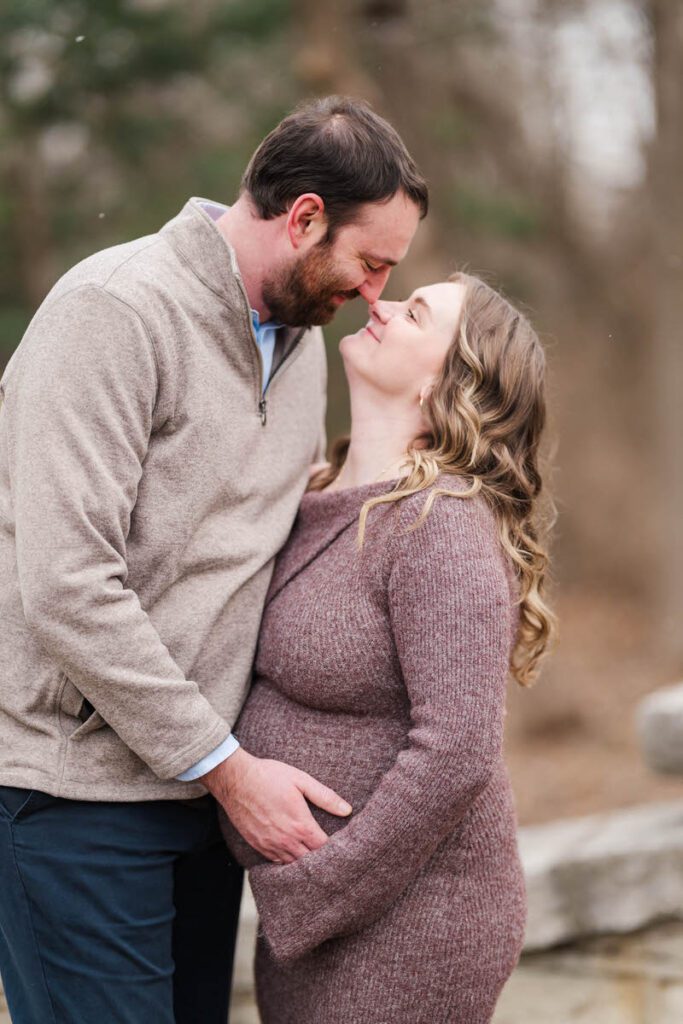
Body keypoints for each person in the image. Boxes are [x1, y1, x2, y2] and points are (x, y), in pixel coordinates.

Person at [0, 96, 427, 1024]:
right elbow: (67, 588)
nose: (374, 295)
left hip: (203, 803)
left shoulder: (301, 347)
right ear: (304, 216)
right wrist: (228, 766)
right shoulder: (111, 313)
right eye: (371, 263)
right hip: (74, 794)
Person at [221, 272, 557, 1023]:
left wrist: (317, 888)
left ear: (445, 382)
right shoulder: (313, 493)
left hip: (410, 920)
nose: (378, 304)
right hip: (315, 919)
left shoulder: (437, 525)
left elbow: (459, 749)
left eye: (413, 313)